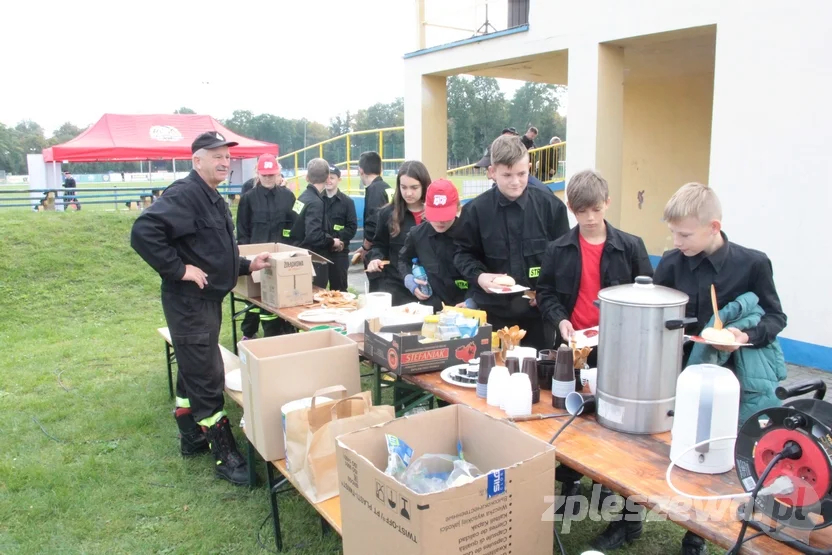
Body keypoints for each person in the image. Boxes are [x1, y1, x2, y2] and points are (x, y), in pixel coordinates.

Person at [650, 182, 788, 555]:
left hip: (732, 379)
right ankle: (627, 520)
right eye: (673, 232)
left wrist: (745, 335)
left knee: (716, 454)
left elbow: (777, 317)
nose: (676, 241)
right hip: (681, 373)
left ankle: (697, 535)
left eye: (685, 234)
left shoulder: (753, 263)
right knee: (661, 448)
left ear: (714, 226)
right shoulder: (671, 262)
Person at [131, 131, 271, 486]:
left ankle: (190, 435)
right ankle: (224, 454)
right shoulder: (186, 194)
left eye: (227, 157)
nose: (224, 162)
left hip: (207, 301)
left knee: (193, 365)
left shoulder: (212, 195)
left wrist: (247, 265)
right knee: (207, 374)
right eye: (216, 156)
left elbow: (213, 249)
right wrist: (179, 269)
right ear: (197, 161)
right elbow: (144, 231)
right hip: (189, 303)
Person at [535, 169, 653, 546]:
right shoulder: (558, 249)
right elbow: (546, 292)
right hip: (576, 347)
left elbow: (647, 296)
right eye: (581, 211)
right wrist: (562, 320)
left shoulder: (631, 246)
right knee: (573, 420)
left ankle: (626, 514)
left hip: (620, 350)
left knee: (619, 430)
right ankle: (570, 484)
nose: (589, 218)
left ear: (608, 204)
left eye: (596, 210)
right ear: (571, 209)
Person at [454, 135, 570, 350]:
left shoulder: (551, 208)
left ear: (529, 168)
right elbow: (462, 254)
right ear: (492, 172)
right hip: (490, 315)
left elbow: (564, 259)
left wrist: (549, 293)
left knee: (533, 379)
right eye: (507, 175)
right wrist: (480, 277)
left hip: (537, 315)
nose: (515, 181)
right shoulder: (475, 211)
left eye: (521, 174)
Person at [236, 153, 297, 339]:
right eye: (265, 175)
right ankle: (251, 332)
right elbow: (242, 229)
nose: (268, 178)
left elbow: (294, 226)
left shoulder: (288, 197)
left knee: (283, 295)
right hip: (256, 257)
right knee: (257, 299)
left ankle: (285, 331)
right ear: (258, 174)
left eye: (272, 175)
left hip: (281, 257)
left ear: (278, 173)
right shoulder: (248, 198)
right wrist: (246, 258)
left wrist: (292, 250)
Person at [398, 178, 472, 312]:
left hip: (465, 309)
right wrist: (409, 278)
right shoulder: (417, 235)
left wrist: (474, 300)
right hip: (432, 308)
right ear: (426, 208)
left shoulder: (470, 234)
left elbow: (484, 270)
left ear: (458, 208)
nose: (440, 221)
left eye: (445, 215)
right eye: (436, 215)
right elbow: (404, 260)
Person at [366, 161, 430, 306]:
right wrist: (375, 258)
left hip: (428, 286)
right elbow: (379, 245)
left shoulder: (435, 215)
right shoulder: (386, 213)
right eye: (404, 187)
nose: (408, 193)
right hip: (397, 287)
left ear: (424, 186)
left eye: (414, 188)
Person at [289, 158, 334, 288]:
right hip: (313, 260)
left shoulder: (302, 198)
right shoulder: (315, 202)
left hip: (297, 254)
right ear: (327, 178)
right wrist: (332, 241)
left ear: (307, 177)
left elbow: (295, 224)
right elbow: (313, 235)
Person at [355, 152, 391, 292]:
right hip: (388, 250)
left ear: (361, 171)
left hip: (378, 255)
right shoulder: (386, 186)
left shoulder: (374, 190)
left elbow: (373, 224)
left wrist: (365, 248)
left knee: (378, 293)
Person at [323, 165, 357, 291]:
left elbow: (352, 227)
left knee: (340, 289)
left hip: (339, 253)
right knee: (317, 289)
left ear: (339, 180)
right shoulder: (317, 200)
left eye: (332, 178)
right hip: (320, 251)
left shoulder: (347, 202)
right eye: (326, 178)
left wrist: (337, 239)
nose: (329, 181)